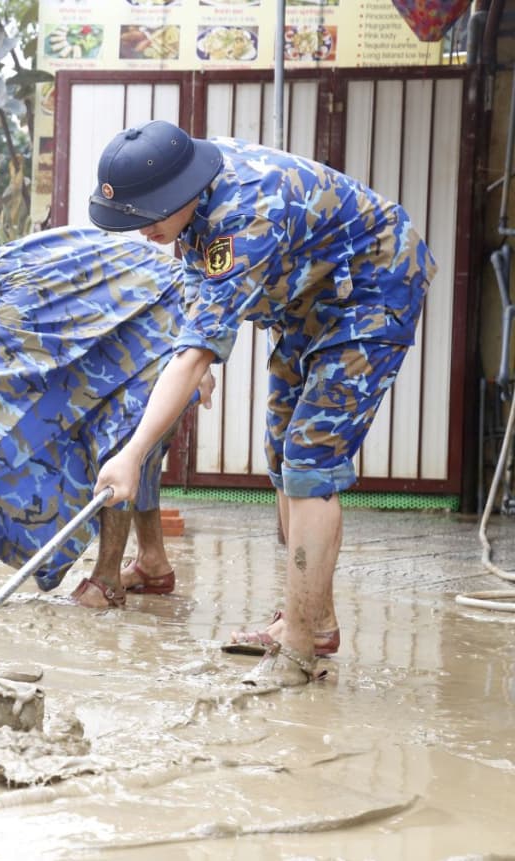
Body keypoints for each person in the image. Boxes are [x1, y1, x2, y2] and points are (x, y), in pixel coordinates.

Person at [88, 120, 435, 685]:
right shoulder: (193, 193)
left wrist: (134, 451)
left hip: (373, 284)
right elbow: (198, 288)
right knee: (279, 450)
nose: (141, 229)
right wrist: (192, 356)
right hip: (307, 298)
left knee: (309, 458)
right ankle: (313, 619)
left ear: (178, 192)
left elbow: (203, 337)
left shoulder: (247, 213)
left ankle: (299, 649)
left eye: (146, 215)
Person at [0, 227, 212, 607]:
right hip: (136, 315)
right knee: (127, 442)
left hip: (163, 311)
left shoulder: (15, 299)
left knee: (118, 436)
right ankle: (152, 562)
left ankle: (107, 580)